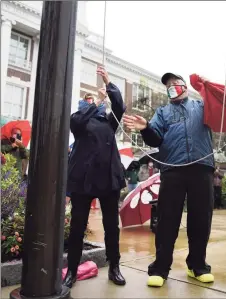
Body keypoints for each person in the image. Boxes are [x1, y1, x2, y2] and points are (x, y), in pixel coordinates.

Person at [123, 72, 215, 288]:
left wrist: (206, 87)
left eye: (175, 83)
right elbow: (155, 138)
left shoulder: (201, 107)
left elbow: (222, 113)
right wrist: (145, 127)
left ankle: (197, 266)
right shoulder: (162, 112)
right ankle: (160, 269)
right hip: (173, 169)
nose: (171, 86)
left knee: (201, 219)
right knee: (167, 220)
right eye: (168, 85)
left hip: (202, 168)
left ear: (183, 85)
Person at [63, 66, 126, 288]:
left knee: (111, 226)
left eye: (95, 100)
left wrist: (109, 83)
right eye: (88, 100)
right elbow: (78, 121)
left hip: (109, 180)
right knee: (77, 227)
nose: (93, 101)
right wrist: (97, 101)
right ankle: (71, 270)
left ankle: (115, 267)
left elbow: (120, 106)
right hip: (83, 181)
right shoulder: (77, 120)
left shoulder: (109, 122)